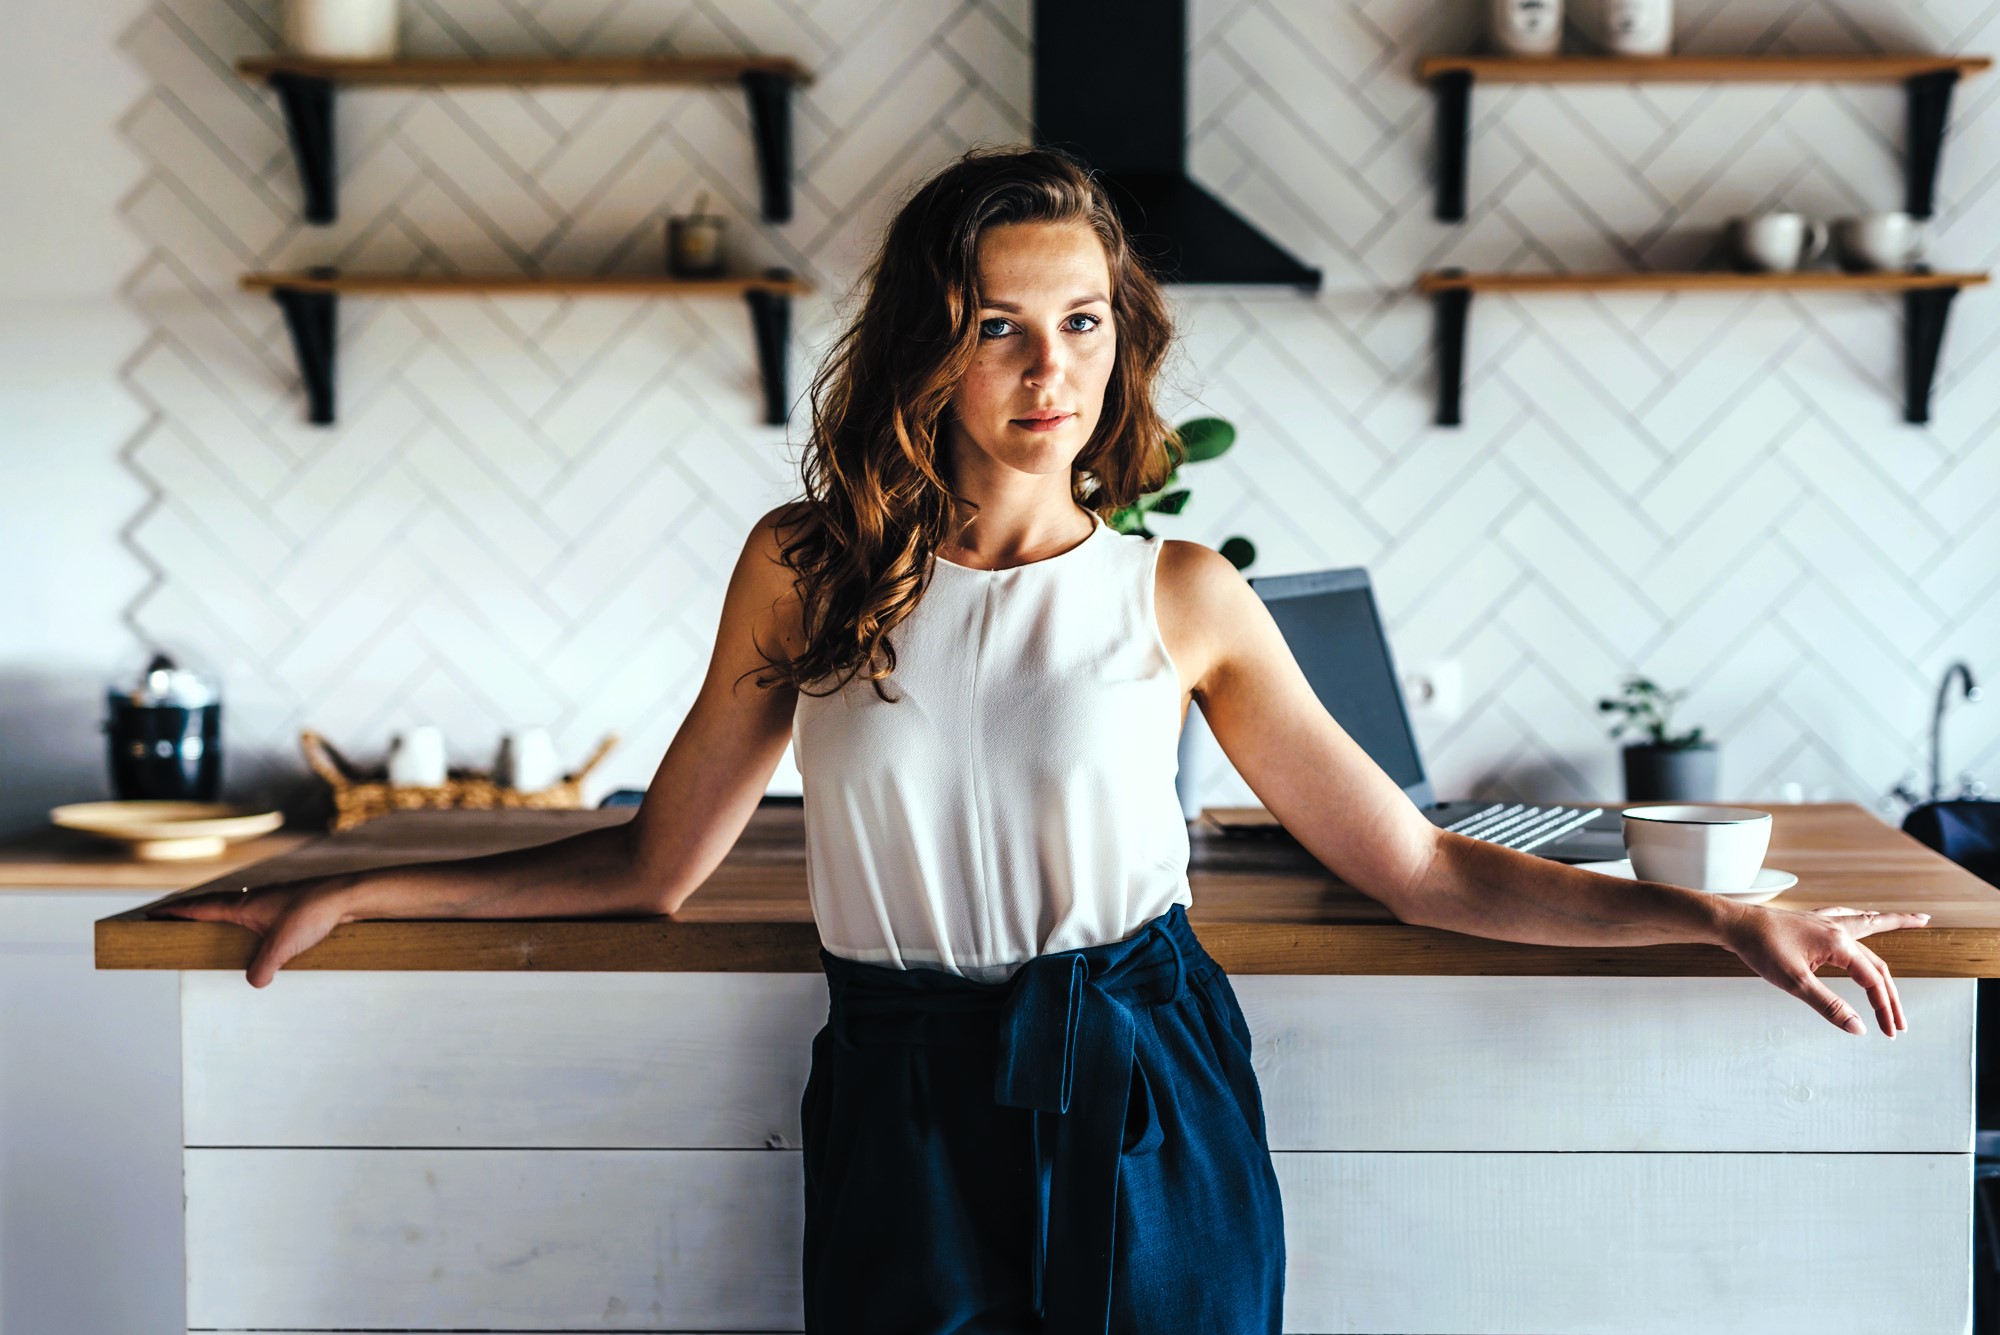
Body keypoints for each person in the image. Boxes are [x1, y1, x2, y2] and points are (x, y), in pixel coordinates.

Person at [151, 144, 1932, 1333]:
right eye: (1001, 325)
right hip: (903, 1095)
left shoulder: (1184, 593)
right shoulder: (809, 570)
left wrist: (1712, 916)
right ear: (935, 343)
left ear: (1121, 340)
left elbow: (1414, 869)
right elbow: (652, 865)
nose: (1047, 368)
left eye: (1080, 323)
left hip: (1147, 1081)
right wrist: (372, 884)